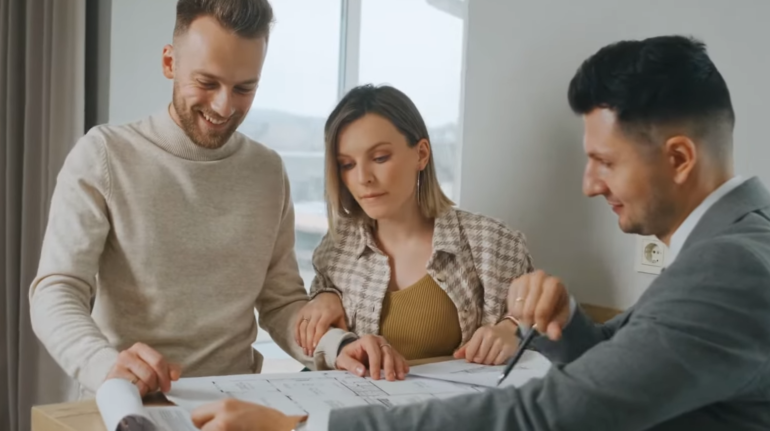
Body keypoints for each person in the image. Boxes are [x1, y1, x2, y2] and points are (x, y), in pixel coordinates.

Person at [188, 35, 770, 431]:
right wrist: (564, 317)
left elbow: (548, 413)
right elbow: (624, 365)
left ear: (679, 158)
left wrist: (304, 426)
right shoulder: (729, 247)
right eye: (346, 163)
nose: (590, 185)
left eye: (606, 162)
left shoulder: (731, 267)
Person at [28, 0, 389, 399]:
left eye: (244, 88)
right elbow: (56, 290)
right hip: (128, 402)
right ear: (169, 63)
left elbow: (280, 303)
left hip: (236, 405)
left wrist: (336, 347)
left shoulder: (267, 171)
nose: (224, 106)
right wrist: (104, 366)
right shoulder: (104, 156)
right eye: (206, 83)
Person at [291, 84, 535, 373]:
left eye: (380, 158)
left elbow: (537, 323)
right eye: (346, 164)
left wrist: (512, 331)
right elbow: (317, 347)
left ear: (421, 154)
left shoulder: (493, 243)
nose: (362, 178)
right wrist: (323, 299)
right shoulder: (336, 249)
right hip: (357, 412)